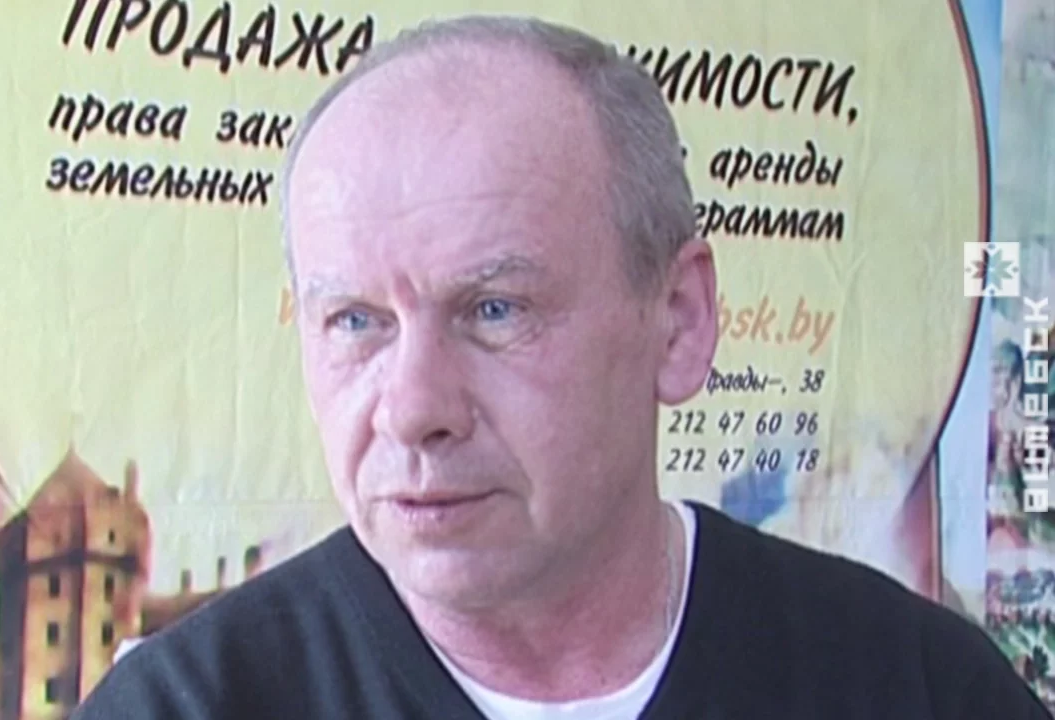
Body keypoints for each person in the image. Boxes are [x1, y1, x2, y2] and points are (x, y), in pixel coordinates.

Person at [73, 15, 1051, 719]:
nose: (412, 409)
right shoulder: (187, 706)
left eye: (494, 310)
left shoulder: (917, 688)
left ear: (678, 323)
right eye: (355, 322)